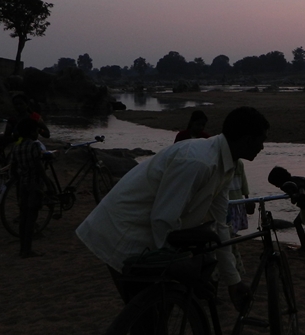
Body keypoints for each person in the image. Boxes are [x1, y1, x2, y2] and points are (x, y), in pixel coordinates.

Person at [76, 106, 269, 310]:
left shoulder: (224, 165)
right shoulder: (199, 161)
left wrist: (233, 280)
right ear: (247, 139)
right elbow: (163, 219)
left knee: (156, 317)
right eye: (261, 140)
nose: (262, 147)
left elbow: (220, 225)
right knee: (148, 319)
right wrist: (177, 266)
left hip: (148, 234)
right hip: (123, 231)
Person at [9, 117, 51, 258]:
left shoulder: (16, 147)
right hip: (35, 185)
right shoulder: (34, 146)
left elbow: (13, 168)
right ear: (33, 132)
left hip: (23, 185)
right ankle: (28, 249)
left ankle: (22, 249)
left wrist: (19, 178)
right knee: (31, 218)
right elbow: (38, 166)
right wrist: (47, 181)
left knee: (24, 217)